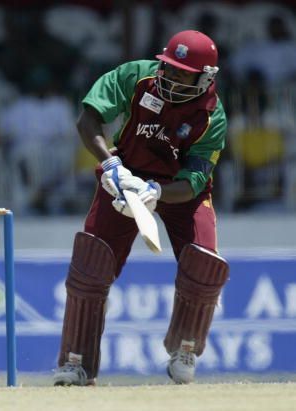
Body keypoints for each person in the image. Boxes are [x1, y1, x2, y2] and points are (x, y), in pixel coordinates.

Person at [53, 30, 229, 386]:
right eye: (169, 68)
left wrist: (156, 193)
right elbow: (88, 119)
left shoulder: (212, 117)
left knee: (203, 263)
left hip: (178, 189)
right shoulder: (136, 76)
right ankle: (77, 362)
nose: (172, 78)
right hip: (124, 175)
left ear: (205, 77)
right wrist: (111, 166)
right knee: (92, 263)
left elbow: (195, 180)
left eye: (183, 73)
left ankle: (185, 347)